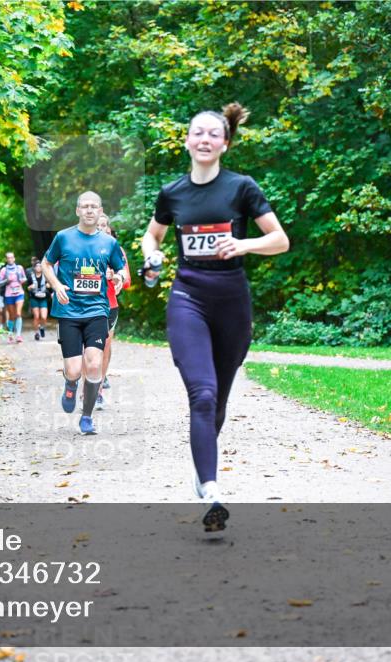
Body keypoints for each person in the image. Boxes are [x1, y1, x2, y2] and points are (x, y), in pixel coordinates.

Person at [141, 103, 289, 531]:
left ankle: (201, 466)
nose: (204, 140)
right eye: (196, 133)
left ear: (225, 143)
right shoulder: (172, 193)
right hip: (188, 296)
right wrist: (152, 255)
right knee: (202, 394)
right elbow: (153, 234)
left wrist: (243, 246)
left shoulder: (241, 188)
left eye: (213, 134)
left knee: (218, 401)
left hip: (232, 302)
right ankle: (211, 490)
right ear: (186, 141)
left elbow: (279, 240)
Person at [42, 191, 127, 435]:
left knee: (94, 364)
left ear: (100, 211)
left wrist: (119, 278)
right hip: (68, 310)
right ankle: (70, 385)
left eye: (94, 206)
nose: (89, 210)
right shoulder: (63, 238)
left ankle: (87, 417)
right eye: (85, 206)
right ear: (78, 211)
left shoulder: (109, 243)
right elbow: (47, 264)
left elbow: (120, 269)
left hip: (97, 310)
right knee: (74, 369)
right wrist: (57, 285)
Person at [94, 215, 130, 409]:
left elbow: (126, 279)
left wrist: (116, 278)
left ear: (108, 228)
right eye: (97, 225)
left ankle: (98, 391)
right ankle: (86, 387)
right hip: (85, 304)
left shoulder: (115, 249)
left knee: (105, 347)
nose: (101, 228)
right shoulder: (79, 246)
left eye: (104, 225)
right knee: (89, 350)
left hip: (109, 303)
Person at [0, 252, 28, 343]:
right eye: (8, 258)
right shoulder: (3, 270)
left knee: (18, 313)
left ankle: (18, 335)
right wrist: (7, 280)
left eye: (12, 257)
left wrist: (22, 281)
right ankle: (10, 333)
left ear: (14, 258)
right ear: (6, 259)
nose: (10, 259)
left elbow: (25, 278)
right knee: (11, 316)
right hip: (9, 294)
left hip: (19, 293)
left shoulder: (19, 268)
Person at [27, 261, 50, 341]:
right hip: (34, 298)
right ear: (34, 268)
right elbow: (28, 287)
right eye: (37, 266)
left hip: (43, 298)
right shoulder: (31, 276)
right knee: (36, 316)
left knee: (44, 317)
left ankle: (42, 327)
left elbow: (50, 285)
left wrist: (48, 286)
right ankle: (36, 333)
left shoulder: (46, 276)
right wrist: (30, 287)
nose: (39, 268)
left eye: (40, 266)